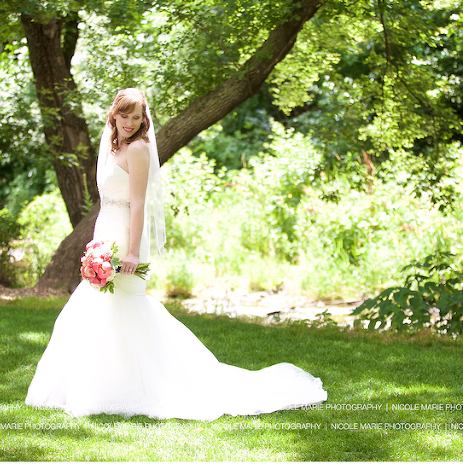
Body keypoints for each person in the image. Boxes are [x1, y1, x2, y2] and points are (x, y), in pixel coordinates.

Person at [25, 88, 327, 420]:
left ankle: (156, 385)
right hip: (106, 233)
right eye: (124, 116)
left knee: (129, 308)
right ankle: (107, 386)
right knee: (100, 310)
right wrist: (100, 245)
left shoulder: (138, 149)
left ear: (144, 120)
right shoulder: (115, 146)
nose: (129, 122)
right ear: (114, 115)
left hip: (128, 239)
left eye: (136, 117)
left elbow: (138, 205)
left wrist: (131, 253)